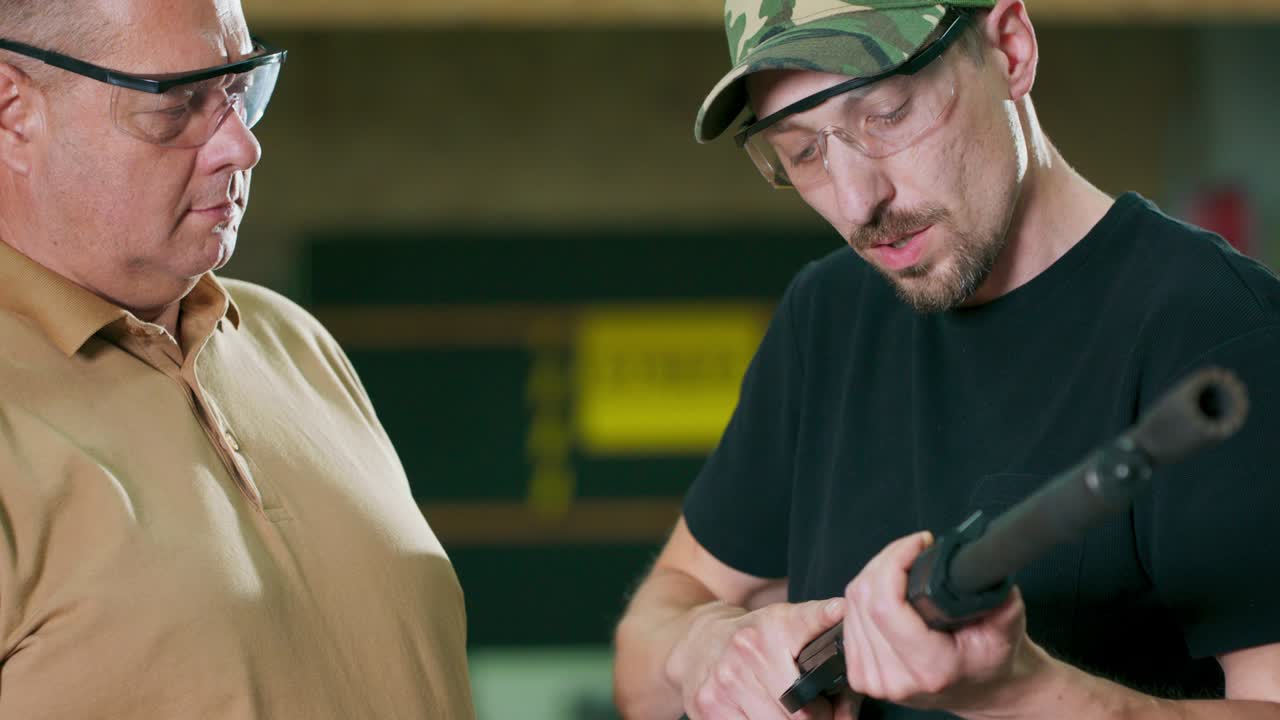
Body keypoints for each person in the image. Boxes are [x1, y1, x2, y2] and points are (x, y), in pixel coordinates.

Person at [613, 1, 1280, 719]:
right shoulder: (828, 316)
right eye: (803, 151)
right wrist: (708, 648)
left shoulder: (1218, 329)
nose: (858, 200)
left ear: (1012, 50)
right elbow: (644, 656)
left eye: (889, 113)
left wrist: (1020, 693)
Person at [0, 0, 475, 717]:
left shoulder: (294, 345)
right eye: (178, 104)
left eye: (240, 91)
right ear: (12, 111)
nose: (240, 147)